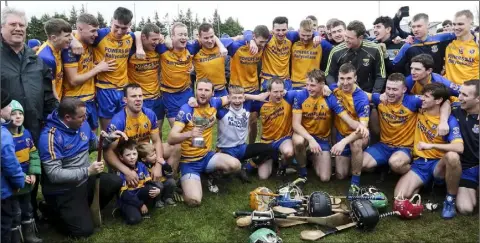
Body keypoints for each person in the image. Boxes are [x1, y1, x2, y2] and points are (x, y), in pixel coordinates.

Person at [1, 7, 58, 221]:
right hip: (4, 131)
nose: (18, 28)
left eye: (21, 25)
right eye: (12, 24)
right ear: (1, 27)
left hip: (33, 128)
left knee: (31, 171)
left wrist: (57, 116)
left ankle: (30, 217)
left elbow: (47, 94)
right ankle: (8, 222)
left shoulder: (35, 59)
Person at [38, 98, 124, 238]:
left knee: (115, 181)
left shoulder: (82, 124)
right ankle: (51, 211)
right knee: (83, 232)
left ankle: (83, 210)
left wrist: (108, 138)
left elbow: (93, 144)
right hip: (64, 190)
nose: (85, 119)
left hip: (84, 181)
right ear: (67, 117)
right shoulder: (50, 137)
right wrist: (87, 171)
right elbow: (54, 175)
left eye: (85, 115)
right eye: (81, 117)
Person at [394, 82, 464, 220]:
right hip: (420, 164)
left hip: (438, 164)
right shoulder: (420, 109)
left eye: (426, 96)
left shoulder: (449, 121)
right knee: (399, 199)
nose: (422, 99)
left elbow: (459, 148)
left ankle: (449, 199)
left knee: (452, 156)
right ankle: (425, 185)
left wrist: (431, 146)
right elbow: (446, 102)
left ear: (438, 100)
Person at [167, 78, 241, 206]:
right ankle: (183, 183)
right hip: (189, 162)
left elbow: (232, 97)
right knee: (194, 201)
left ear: (213, 93)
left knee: (236, 165)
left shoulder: (215, 103)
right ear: (195, 91)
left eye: (206, 90)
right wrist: (190, 133)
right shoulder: (187, 109)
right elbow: (171, 138)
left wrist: (259, 96)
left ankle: (209, 175)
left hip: (206, 157)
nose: (202, 93)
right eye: (200, 89)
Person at [292, 69, 366, 181]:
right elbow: (296, 125)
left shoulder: (330, 98)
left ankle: (311, 157)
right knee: (298, 142)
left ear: (322, 85)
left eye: (312, 85)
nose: (308, 88)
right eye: (307, 85)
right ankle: (303, 173)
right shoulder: (301, 96)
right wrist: (310, 139)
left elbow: (347, 119)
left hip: (322, 138)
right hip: (305, 135)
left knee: (325, 178)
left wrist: (361, 126)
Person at [105, 84, 179, 189]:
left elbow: (156, 141)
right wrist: (127, 171)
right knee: (128, 180)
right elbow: (108, 152)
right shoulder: (118, 121)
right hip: (128, 157)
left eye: (140, 96)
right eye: (134, 96)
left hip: (144, 152)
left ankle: (169, 181)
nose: (138, 99)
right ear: (125, 100)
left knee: (176, 148)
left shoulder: (149, 114)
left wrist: (158, 164)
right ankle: (126, 178)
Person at [62, 13, 116, 132]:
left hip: (90, 100)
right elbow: (73, 80)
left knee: (92, 141)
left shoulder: (89, 44)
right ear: (80, 29)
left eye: (96, 31)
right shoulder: (71, 48)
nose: (96, 35)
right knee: (78, 142)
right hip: (75, 101)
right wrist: (97, 69)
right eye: (92, 31)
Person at [362, 73, 423, 175]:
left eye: (395, 89)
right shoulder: (381, 99)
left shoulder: (413, 101)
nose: (390, 92)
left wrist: (443, 121)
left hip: (405, 147)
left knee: (395, 164)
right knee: (362, 164)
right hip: (384, 145)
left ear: (404, 90)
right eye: (388, 88)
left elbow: (442, 100)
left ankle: (416, 173)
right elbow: (359, 93)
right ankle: (382, 168)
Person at [245, 16, 320, 92]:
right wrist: (251, 40)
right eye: (278, 30)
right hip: (269, 80)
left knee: (288, 103)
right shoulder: (268, 38)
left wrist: (317, 35)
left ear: (287, 29)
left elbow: (308, 32)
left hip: (286, 81)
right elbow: (247, 32)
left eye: (283, 30)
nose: (281, 33)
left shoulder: (291, 37)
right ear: (273, 29)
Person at [90, 7, 135, 131]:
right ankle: (107, 150)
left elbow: (140, 34)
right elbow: (75, 33)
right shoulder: (100, 35)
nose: (120, 31)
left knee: (125, 127)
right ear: (111, 21)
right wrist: (74, 43)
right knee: (109, 131)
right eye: (117, 26)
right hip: (105, 89)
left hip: (123, 89)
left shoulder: (131, 37)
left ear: (130, 26)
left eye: (124, 28)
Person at [328, 64, 370, 193]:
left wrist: (343, 142)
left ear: (355, 78)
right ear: (338, 78)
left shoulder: (361, 98)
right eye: (342, 78)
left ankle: (355, 183)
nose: (345, 82)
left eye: (349, 78)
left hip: (356, 136)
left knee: (356, 144)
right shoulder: (334, 88)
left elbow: (362, 130)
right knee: (340, 175)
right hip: (340, 133)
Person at [5, 100, 42, 243]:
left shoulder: (26, 134)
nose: (18, 116)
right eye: (13, 114)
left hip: (27, 182)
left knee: (27, 208)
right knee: (14, 211)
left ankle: (29, 234)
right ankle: (15, 237)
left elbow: (33, 154)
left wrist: (33, 173)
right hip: (12, 184)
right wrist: (20, 177)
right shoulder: (5, 138)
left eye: (20, 113)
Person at [226, 25, 269, 144]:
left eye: (265, 42)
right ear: (254, 37)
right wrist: (247, 38)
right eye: (260, 42)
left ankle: (250, 146)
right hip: (237, 90)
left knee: (253, 121)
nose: (263, 45)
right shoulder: (236, 47)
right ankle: (235, 147)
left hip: (254, 88)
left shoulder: (262, 46)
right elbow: (220, 40)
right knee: (237, 122)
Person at [251, 78, 297, 179]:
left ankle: (282, 168)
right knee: (263, 176)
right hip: (267, 141)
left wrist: (324, 86)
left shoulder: (288, 97)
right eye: (275, 92)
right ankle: (272, 160)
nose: (279, 95)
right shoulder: (260, 102)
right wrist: (255, 96)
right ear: (269, 92)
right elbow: (239, 99)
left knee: (288, 152)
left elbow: (305, 91)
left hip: (283, 139)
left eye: (281, 91)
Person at [325, 20, 386, 94]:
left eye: (350, 38)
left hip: (367, 93)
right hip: (344, 94)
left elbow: (380, 75)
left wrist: (374, 94)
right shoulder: (336, 51)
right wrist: (335, 89)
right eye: (346, 36)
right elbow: (328, 74)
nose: (346, 40)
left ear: (360, 37)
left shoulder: (375, 49)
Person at [155, 22, 194, 127]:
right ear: (172, 36)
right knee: (176, 127)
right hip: (169, 95)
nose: (184, 37)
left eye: (185, 34)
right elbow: (142, 35)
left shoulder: (191, 48)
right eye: (180, 34)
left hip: (186, 92)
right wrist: (166, 38)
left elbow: (211, 38)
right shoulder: (163, 48)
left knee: (190, 125)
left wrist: (193, 66)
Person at [116, 140, 162, 225]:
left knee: (152, 189)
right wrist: (140, 204)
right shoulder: (121, 172)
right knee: (134, 220)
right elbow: (125, 195)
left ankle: (143, 208)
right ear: (121, 157)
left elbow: (148, 183)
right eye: (128, 155)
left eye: (134, 154)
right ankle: (123, 210)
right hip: (128, 199)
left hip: (139, 193)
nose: (132, 157)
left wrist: (157, 189)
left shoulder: (141, 165)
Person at [128, 23, 165, 128]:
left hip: (157, 98)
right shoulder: (132, 50)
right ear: (143, 37)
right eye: (153, 39)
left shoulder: (157, 49)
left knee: (157, 131)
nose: (156, 42)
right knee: (141, 133)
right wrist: (139, 47)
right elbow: (136, 32)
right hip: (140, 99)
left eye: (158, 39)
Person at [1, 90, 26, 243]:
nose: (11, 109)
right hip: (2, 193)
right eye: (9, 106)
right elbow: (11, 165)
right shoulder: (3, 136)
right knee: (4, 226)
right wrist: (19, 182)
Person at [452, 80, 479, 215]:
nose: (460, 97)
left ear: (478, 99)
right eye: (460, 93)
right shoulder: (455, 110)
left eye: (465, 95)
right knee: (465, 208)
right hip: (467, 168)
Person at [36, 18, 73, 100]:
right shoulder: (47, 58)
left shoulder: (58, 48)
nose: (71, 38)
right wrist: (58, 107)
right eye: (67, 36)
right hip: (52, 104)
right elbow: (51, 91)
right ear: (54, 38)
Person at [189, 23, 230, 97]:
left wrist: (252, 42)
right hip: (204, 94)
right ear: (199, 37)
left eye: (212, 37)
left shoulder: (221, 44)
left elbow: (240, 37)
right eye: (206, 38)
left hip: (222, 91)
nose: (210, 40)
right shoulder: (195, 49)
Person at [290, 19, 332, 89]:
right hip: (295, 84)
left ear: (313, 32)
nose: (305, 38)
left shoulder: (321, 44)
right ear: (298, 31)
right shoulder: (292, 43)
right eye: (303, 35)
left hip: (314, 84)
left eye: (308, 35)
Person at [136, 142, 177, 207]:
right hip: (153, 184)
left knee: (171, 182)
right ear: (143, 159)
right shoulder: (142, 166)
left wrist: (164, 163)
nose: (155, 156)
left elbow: (169, 170)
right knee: (158, 185)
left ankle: (167, 197)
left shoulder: (158, 161)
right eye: (151, 155)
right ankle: (158, 201)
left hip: (162, 180)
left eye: (155, 153)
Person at [444, 10, 479, 85]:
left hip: (470, 93)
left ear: (471, 24)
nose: (456, 27)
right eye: (454, 24)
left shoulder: (477, 43)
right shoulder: (447, 41)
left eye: (460, 24)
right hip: (449, 91)